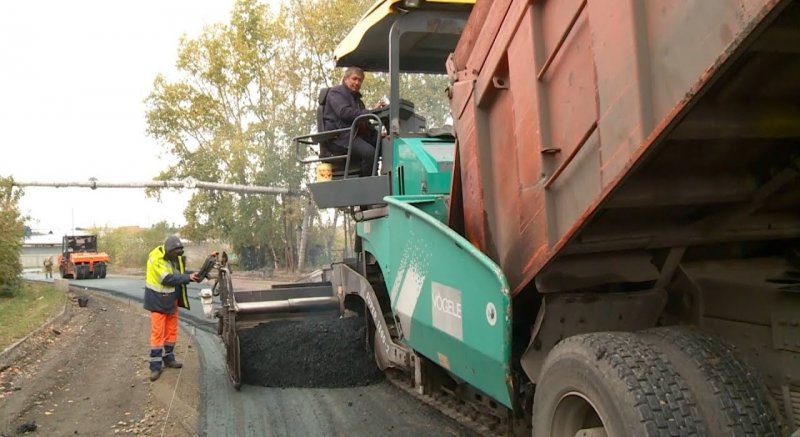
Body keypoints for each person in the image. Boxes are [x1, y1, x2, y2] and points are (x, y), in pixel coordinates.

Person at [143, 236, 200, 382]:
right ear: (169, 252)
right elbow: (167, 279)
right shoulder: (156, 259)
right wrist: (188, 278)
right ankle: (155, 367)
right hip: (157, 301)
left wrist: (195, 275)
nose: (177, 257)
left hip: (171, 300)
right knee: (158, 334)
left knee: (171, 331)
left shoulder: (174, 258)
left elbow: (179, 272)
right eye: (175, 254)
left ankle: (169, 358)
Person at [322, 66, 381, 177]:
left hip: (354, 135)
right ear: (346, 79)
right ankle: (368, 183)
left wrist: (380, 135)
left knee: (387, 144)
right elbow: (344, 112)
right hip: (341, 137)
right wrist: (369, 112)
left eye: (360, 80)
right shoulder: (336, 93)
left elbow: (365, 123)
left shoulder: (358, 101)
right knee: (369, 153)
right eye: (354, 79)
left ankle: (386, 178)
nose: (357, 82)